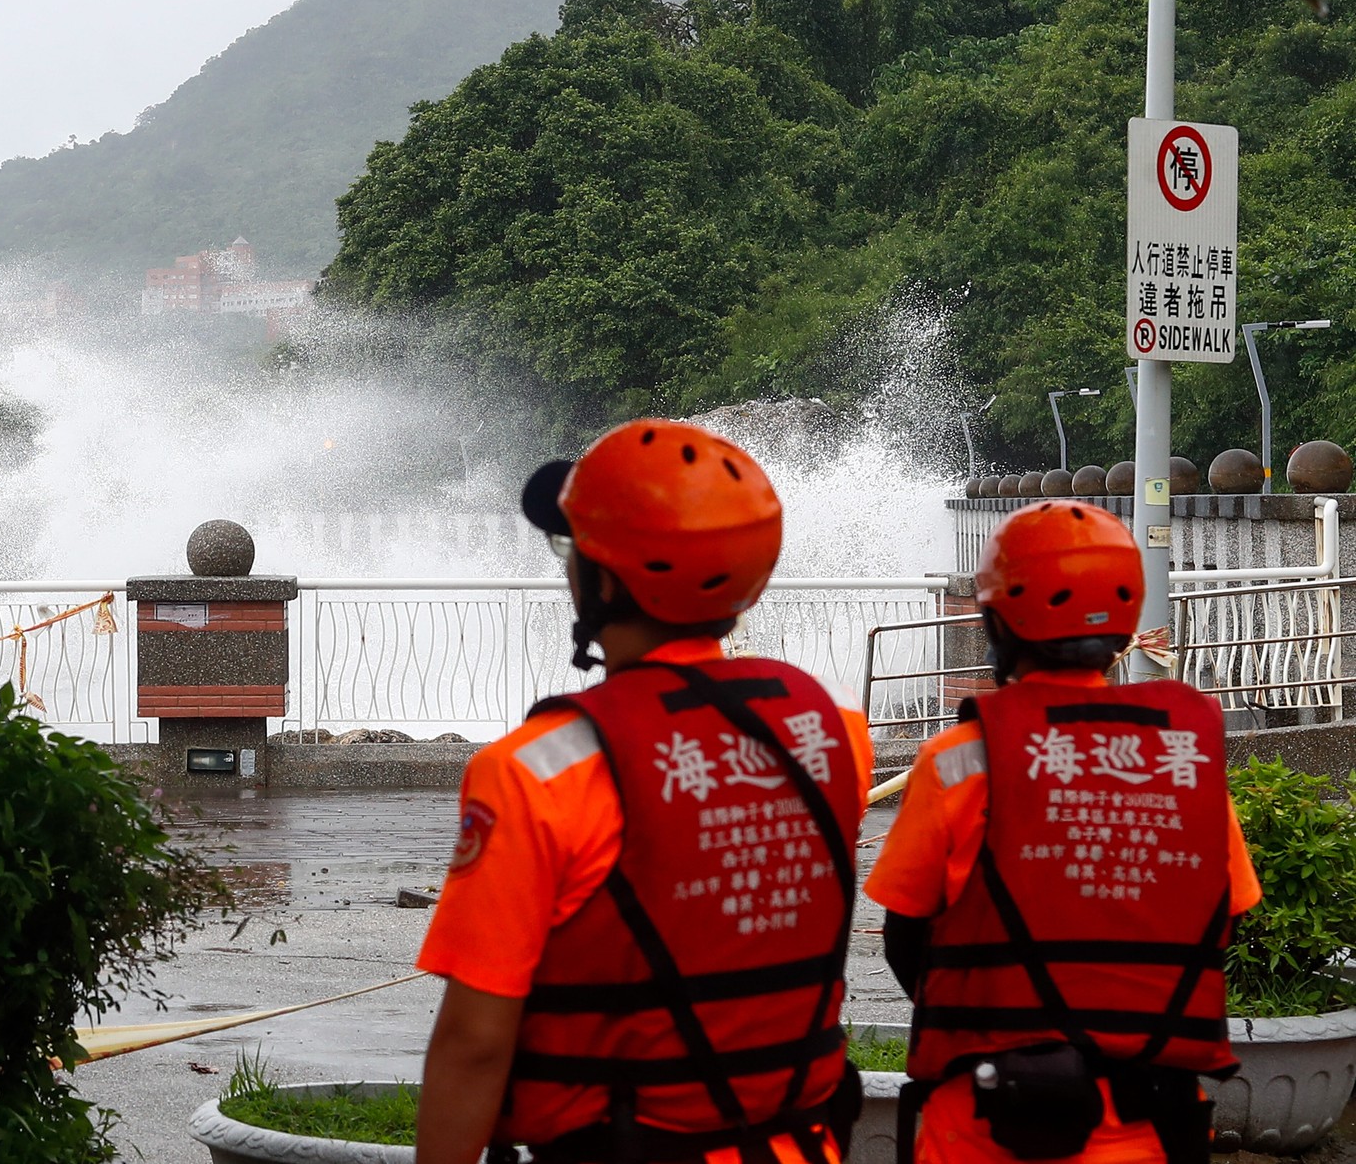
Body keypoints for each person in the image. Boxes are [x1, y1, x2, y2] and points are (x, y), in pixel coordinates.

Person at [414, 418, 875, 1164]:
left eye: (573, 548)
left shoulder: (537, 769)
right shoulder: (833, 731)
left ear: (599, 579)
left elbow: (473, 1044)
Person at [865, 500, 1262, 1164]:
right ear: (1125, 628)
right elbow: (1228, 917)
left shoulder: (960, 759)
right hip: (1153, 1121)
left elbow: (905, 937)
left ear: (997, 623)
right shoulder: (1181, 760)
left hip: (988, 1122)